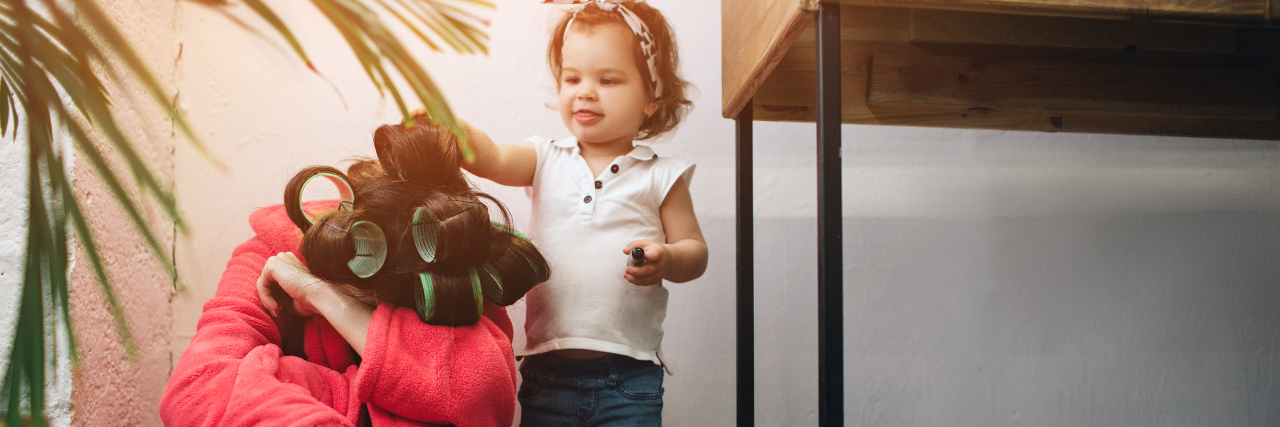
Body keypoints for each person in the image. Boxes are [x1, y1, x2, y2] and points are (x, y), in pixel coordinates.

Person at [160, 117, 550, 427]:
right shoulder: (270, 250)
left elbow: (482, 393)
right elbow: (196, 388)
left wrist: (323, 299)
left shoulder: (454, 259)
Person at [454, 1, 707, 424]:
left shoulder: (662, 175)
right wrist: (453, 129)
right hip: (545, 375)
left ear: (652, 96)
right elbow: (493, 157)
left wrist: (670, 258)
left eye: (607, 79)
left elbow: (695, 251)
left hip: (629, 380)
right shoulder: (544, 157)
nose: (585, 91)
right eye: (572, 78)